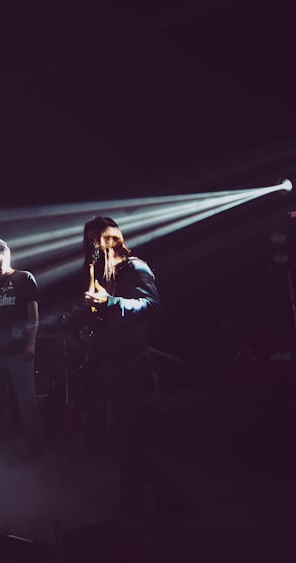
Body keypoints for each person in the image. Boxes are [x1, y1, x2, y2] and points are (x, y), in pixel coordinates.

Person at [70, 216, 190, 521]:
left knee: (128, 439)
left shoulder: (137, 267)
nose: (93, 245)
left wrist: (112, 302)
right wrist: (90, 326)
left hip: (130, 364)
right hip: (107, 362)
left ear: (112, 238)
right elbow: (104, 317)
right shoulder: (104, 272)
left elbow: (152, 305)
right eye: (89, 240)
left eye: (97, 238)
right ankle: (165, 499)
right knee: (119, 439)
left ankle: (134, 510)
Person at [0, 237, 44, 460]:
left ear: (6, 253)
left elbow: (33, 314)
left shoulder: (24, 278)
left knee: (26, 403)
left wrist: (31, 342)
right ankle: (6, 450)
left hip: (18, 351)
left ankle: (35, 451)